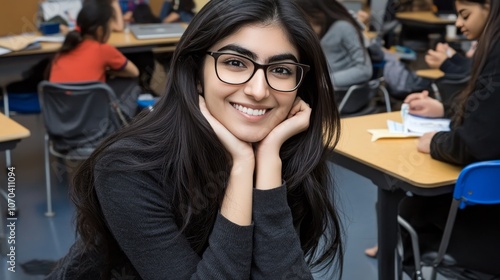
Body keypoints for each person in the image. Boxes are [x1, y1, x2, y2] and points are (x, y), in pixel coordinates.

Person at [45, 0, 344, 279]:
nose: (258, 90)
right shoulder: (128, 167)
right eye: (236, 63)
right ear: (197, 73)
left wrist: (266, 164)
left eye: (280, 70)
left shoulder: (284, 151)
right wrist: (242, 166)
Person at [400, 0, 500, 275]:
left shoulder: (495, 52)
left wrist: (434, 142)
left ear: (489, 7)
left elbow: (475, 144)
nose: (457, 23)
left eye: (465, 14)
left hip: (487, 228)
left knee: (407, 206)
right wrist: (444, 108)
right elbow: (490, 107)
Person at [294, 0, 372, 90]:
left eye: (307, 19)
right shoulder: (323, 32)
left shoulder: (343, 27)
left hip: (340, 93)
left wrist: (322, 81)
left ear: (318, 13)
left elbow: (364, 70)